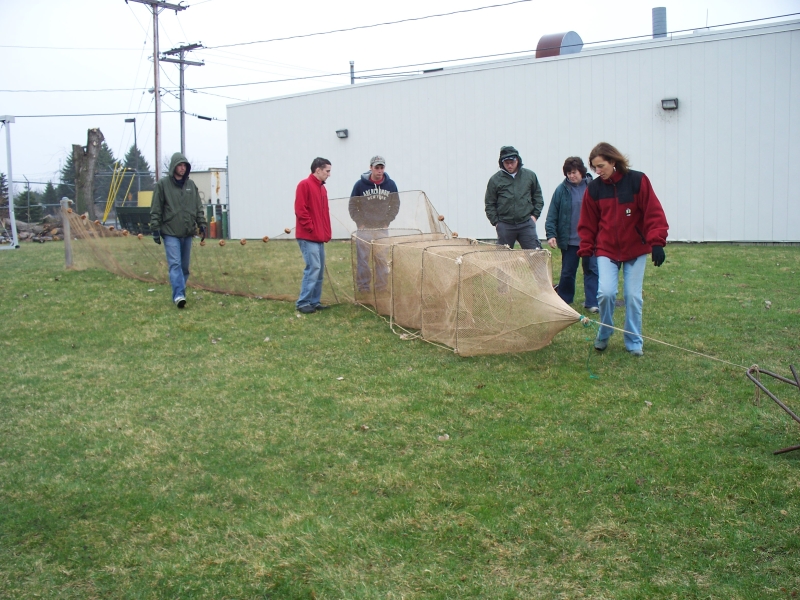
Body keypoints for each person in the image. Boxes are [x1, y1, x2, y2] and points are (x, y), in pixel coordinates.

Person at [577, 142, 669, 357]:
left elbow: (653, 212)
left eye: (601, 166)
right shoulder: (595, 189)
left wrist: (656, 242)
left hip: (635, 249)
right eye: (594, 168)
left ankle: (634, 341)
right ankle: (604, 332)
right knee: (606, 293)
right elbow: (588, 222)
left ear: (613, 161)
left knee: (632, 296)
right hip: (606, 249)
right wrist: (586, 249)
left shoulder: (638, 181)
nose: (598, 172)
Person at [149, 152, 207, 309]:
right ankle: (179, 295)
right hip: (170, 232)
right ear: (174, 167)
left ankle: (180, 290)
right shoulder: (163, 185)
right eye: (180, 165)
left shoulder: (191, 186)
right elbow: (156, 208)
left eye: (184, 166)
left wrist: (201, 224)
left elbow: (198, 207)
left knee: (184, 267)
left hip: (187, 232)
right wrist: (155, 228)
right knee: (174, 264)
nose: (182, 168)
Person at [545, 156, 598, 312]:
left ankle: (592, 302)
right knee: (568, 272)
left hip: (590, 239)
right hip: (569, 241)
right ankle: (565, 300)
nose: (571, 176)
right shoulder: (561, 190)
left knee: (592, 269)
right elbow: (552, 214)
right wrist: (551, 234)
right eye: (568, 173)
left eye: (574, 172)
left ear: (581, 171)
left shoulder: (593, 187)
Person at [349, 155, 400, 292]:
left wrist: (387, 221)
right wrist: (360, 223)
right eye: (376, 167)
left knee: (382, 259)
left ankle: (381, 288)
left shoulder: (391, 185)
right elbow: (353, 205)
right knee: (363, 260)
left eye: (381, 167)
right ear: (370, 168)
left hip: (381, 229)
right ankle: (364, 287)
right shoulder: (360, 185)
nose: (379, 170)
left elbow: (395, 204)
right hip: (364, 229)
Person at [484, 145, 544, 250]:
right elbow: (490, 203)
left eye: (512, 162)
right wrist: (497, 223)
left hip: (526, 223)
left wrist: (534, 216)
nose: (510, 165)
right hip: (505, 225)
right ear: (502, 163)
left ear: (518, 160)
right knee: (502, 260)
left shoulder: (530, 176)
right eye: (506, 163)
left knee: (535, 256)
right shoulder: (495, 180)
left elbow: (538, 197)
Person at [295, 157, 332, 314]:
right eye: (327, 171)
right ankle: (303, 302)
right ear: (318, 170)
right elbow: (300, 210)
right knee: (313, 267)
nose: (329, 174)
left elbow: (324, 213)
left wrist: (326, 232)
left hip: (319, 237)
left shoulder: (322, 189)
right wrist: (310, 228)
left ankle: (314, 301)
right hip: (308, 236)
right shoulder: (304, 185)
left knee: (319, 269)